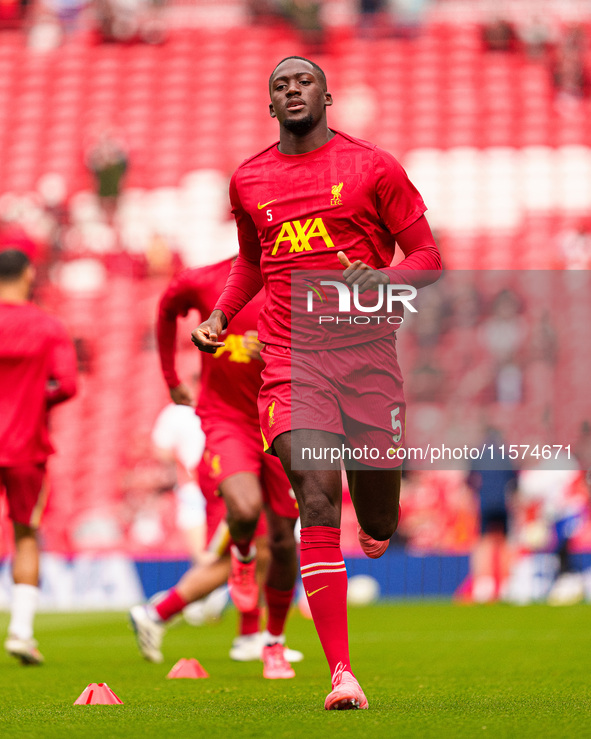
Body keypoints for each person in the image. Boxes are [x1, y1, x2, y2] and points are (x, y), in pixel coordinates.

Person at [191, 56, 442, 709]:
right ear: (269, 106)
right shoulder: (248, 179)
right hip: (290, 360)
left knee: (377, 512)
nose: (292, 89)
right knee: (315, 494)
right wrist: (220, 312)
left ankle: (378, 523)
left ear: (326, 95)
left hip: (367, 365)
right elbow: (252, 260)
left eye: (302, 81)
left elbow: (427, 258)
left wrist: (382, 282)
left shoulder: (373, 167)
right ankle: (341, 672)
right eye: (279, 85)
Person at [130, 259, 301, 679]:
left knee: (280, 541)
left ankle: (270, 641)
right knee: (246, 519)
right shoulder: (207, 280)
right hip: (227, 421)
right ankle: (191, 616)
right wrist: (170, 376)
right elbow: (167, 307)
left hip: (284, 418)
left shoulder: (302, 281)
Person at [0, 244, 77, 664]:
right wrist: (32, 399)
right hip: (26, 447)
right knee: (26, 534)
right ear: (29, 275)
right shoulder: (48, 326)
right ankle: (20, 632)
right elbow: (67, 385)